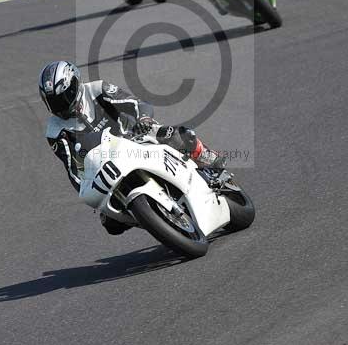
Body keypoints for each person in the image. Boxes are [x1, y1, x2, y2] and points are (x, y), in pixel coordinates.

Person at [39, 60, 227, 235]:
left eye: (66, 96)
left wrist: (143, 119)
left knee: (177, 135)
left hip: (134, 137)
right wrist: (88, 189)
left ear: (76, 84)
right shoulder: (55, 132)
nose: (61, 105)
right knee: (111, 224)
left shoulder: (97, 89)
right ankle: (152, 216)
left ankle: (205, 156)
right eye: (54, 102)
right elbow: (73, 169)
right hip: (107, 165)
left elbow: (136, 103)